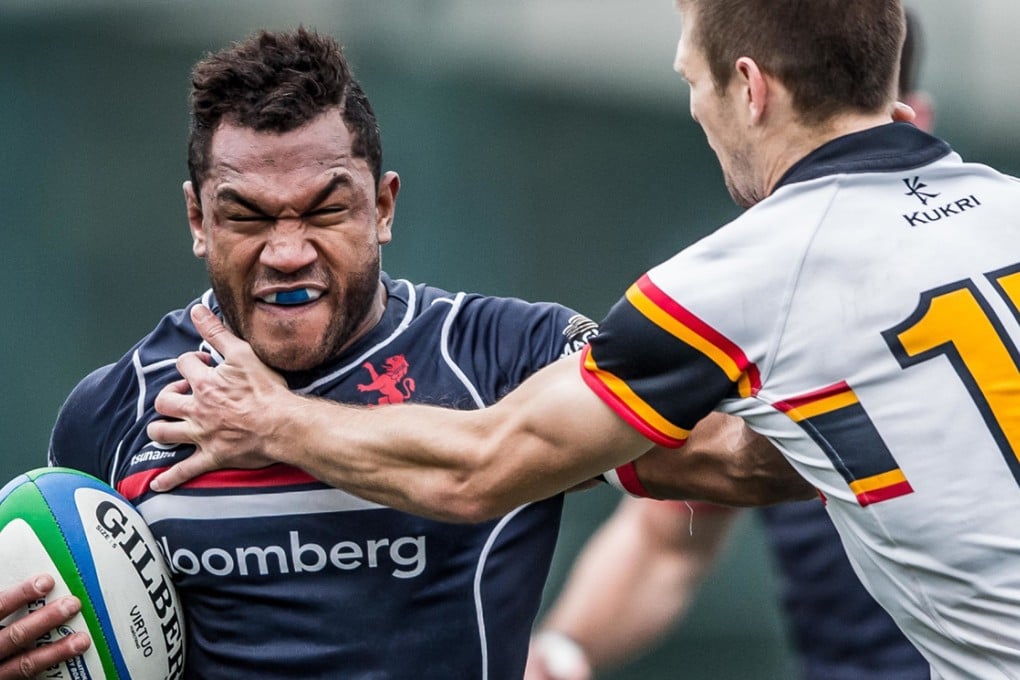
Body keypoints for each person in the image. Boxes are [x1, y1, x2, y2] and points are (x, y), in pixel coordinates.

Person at [143, 0, 1020, 676]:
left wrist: (274, 420)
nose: (697, 109)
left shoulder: (739, 278)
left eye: (693, 81)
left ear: (750, 90)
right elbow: (740, 468)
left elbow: (482, 467)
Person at [0, 27, 808, 679]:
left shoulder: (503, 356)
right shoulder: (113, 409)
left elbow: (742, 465)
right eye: (247, 217)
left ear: (383, 208)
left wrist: (848, 373)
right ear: (197, 220)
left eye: (326, 210)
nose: (288, 252)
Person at [526, 11, 936, 679]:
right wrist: (558, 656)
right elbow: (667, 540)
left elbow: (487, 462)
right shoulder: (752, 295)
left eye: (696, 81)